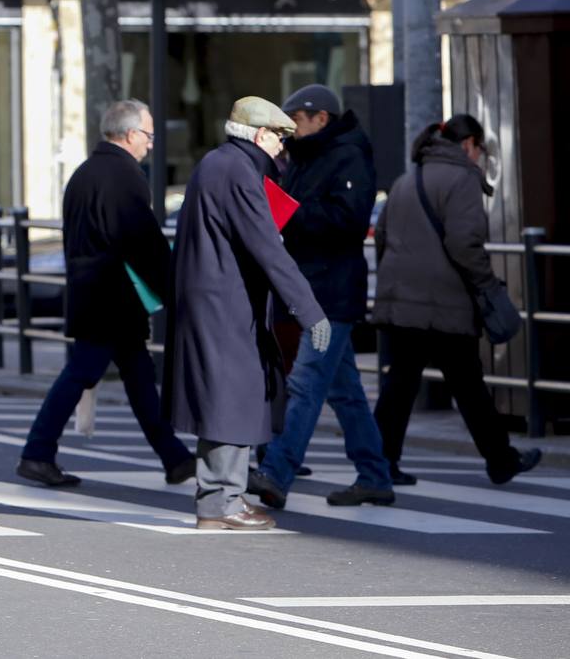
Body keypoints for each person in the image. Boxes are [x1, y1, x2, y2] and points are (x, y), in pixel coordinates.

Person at [167, 97, 330, 531]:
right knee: (232, 400)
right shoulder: (240, 171)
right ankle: (223, 503)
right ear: (260, 135)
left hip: (213, 298)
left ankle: (222, 499)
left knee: (229, 397)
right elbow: (267, 248)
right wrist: (311, 310)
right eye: (278, 136)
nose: (281, 146)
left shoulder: (218, 163)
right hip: (226, 302)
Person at [17, 99, 194, 489]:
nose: (150, 144)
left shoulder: (85, 173)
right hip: (112, 298)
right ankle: (37, 452)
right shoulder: (125, 176)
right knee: (83, 372)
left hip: (95, 293)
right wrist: (176, 287)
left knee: (138, 376)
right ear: (130, 135)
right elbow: (142, 241)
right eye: (148, 135)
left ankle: (175, 458)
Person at [371, 114, 542, 486]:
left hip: (403, 303)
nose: (479, 158)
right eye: (479, 149)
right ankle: (500, 460)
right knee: (469, 386)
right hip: (444, 303)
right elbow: (463, 243)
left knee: (399, 386)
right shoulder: (462, 179)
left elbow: (382, 236)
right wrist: (485, 284)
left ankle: (381, 463)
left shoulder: (405, 180)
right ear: (469, 145)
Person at [249, 85, 392, 509]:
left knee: (307, 382)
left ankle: (277, 471)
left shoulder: (347, 155)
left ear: (321, 118)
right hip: (313, 285)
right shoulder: (305, 158)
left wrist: (289, 213)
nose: (291, 129)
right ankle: (375, 475)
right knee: (344, 390)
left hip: (331, 289)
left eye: (298, 119)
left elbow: (348, 221)